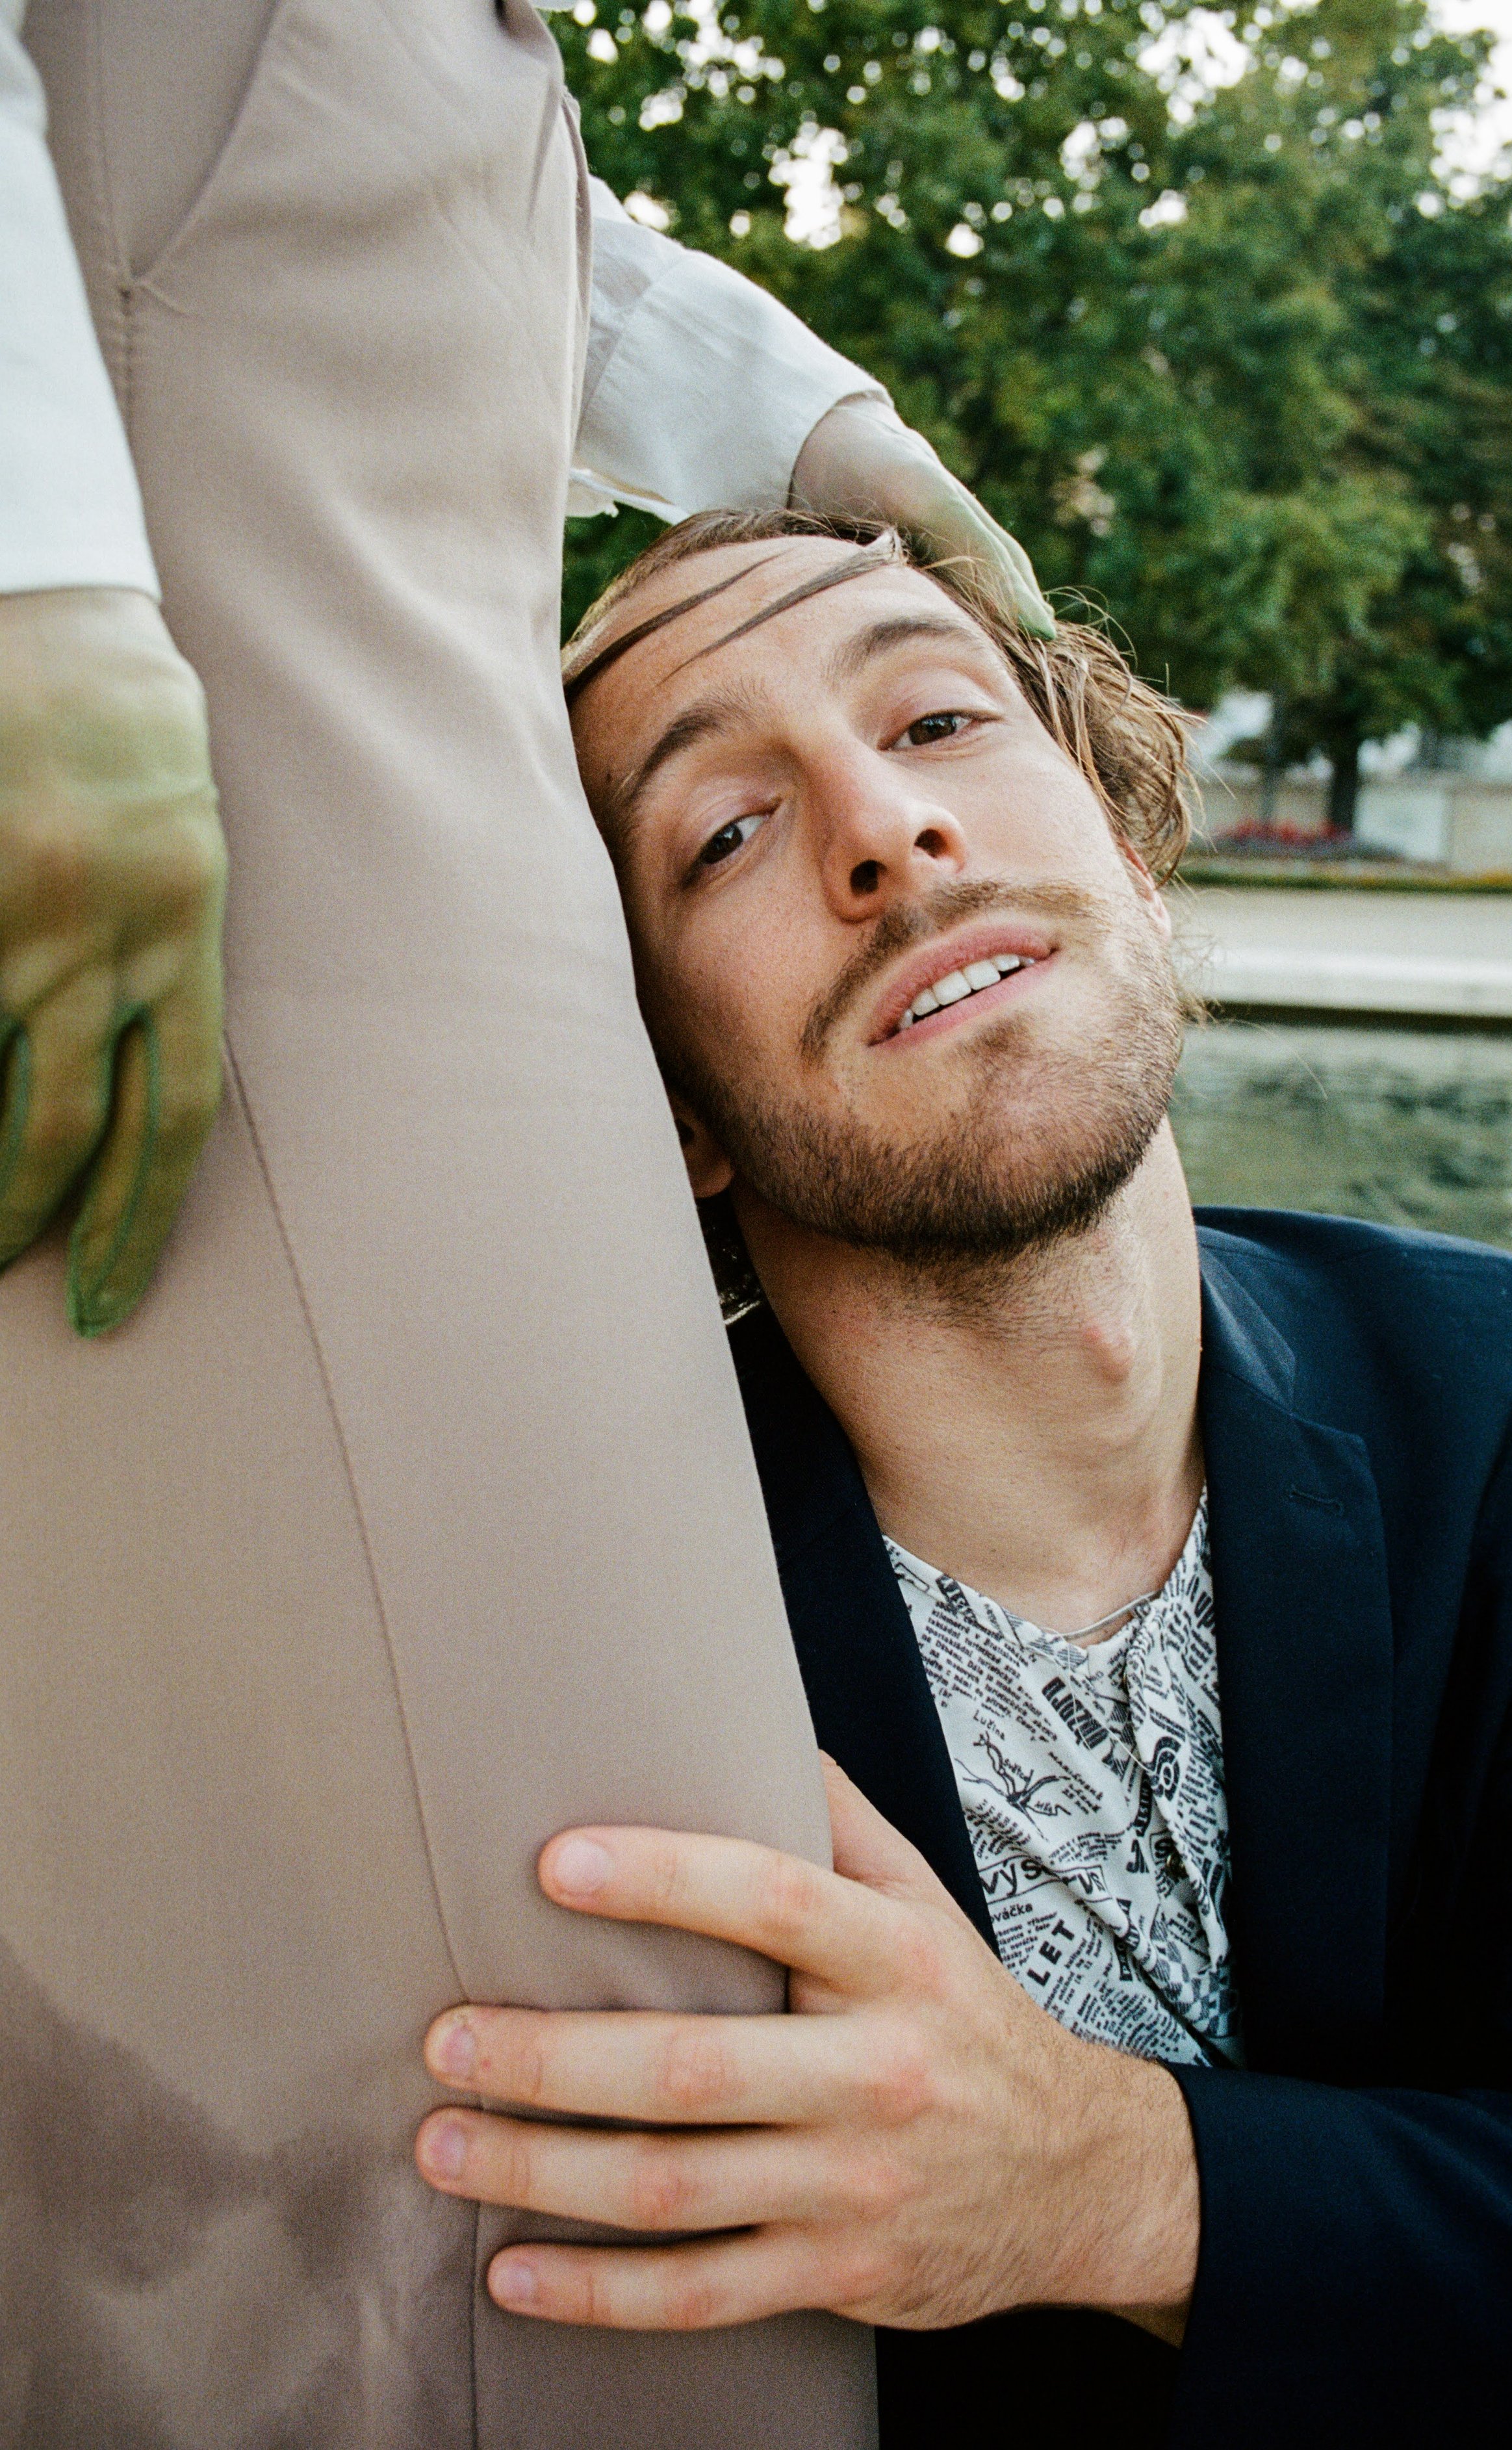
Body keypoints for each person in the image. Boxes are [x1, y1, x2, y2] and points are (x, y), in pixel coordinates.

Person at [0, 6, 1048, 2439]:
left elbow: (417, 190)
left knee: (598, 2082)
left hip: (439, 953)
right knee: (492, 2120)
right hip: (214, 877)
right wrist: (35, 579)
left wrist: (792, 422)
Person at [413, 511, 1512, 2449]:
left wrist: (1104, 2182)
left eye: (946, 716)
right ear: (670, 1103)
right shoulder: (558, 1616)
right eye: (723, 831)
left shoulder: (1493, 1390)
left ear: (1126, 846)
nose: (884, 827)